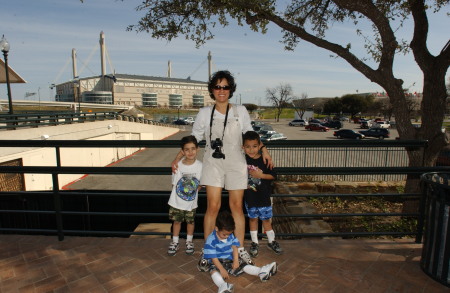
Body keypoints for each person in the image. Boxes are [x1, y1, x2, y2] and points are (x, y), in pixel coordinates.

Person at [171, 70, 273, 267]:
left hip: (236, 161)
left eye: (225, 87)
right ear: (212, 89)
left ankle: (240, 249)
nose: (221, 90)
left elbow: (250, 135)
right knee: (213, 207)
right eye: (218, 86)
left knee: (236, 206)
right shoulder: (204, 113)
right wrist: (178, 157)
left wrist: (264, 150)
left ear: (231, 89)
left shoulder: (240, 111)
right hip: (213, 162)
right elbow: (194, 139)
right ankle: (208, 252)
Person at [204, 210, 277, 293]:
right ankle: (222, 285)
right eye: (224, 234)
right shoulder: (211, 240)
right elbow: (213, 257)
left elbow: (234, 247)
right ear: (216, 228)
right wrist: (221, 269)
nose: (227, 236)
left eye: (229, 234)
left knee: (243, 264)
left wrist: (235, 260)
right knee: (213, 270)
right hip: (216, 261)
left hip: (229, 259)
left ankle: (261, 271)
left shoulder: (230, 235)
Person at [242, 131, 283, 257]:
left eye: (254, 146)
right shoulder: (242, 160)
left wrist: (261, 175)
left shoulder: (265, 160)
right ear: (243, 147)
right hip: (250, 197)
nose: (251, 149)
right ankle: (254, 242)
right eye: (248, 146)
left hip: (264, 197)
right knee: (253, 219)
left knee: (266, 220)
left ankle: (271, 241)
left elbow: (273, 175)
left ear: (260, 146)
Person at [167, 135, 202, 256]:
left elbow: (201, 184)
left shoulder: (200, 166)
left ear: (198, 149)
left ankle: (189, 241)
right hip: (176, 201)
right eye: (187, 149)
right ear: (182, 151)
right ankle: (175, 242)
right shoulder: (177, 165)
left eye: (193, 148)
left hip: (191, 203)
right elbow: (174, 184)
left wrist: (197, 187)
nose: (190, 152)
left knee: (190, 222)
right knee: (176, 222)